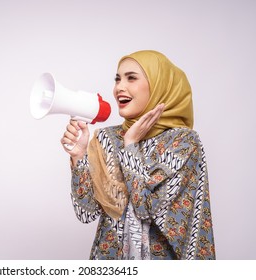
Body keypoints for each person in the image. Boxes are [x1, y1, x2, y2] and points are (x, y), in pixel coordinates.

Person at [60, 50, 215, 260]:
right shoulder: (108, 138)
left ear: (159, 86)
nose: (119, 88)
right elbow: (86, 213)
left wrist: (131, 145)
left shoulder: (183, 143)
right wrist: (79, 156)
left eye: (131, 78)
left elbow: (146, 209)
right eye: (117, 79)